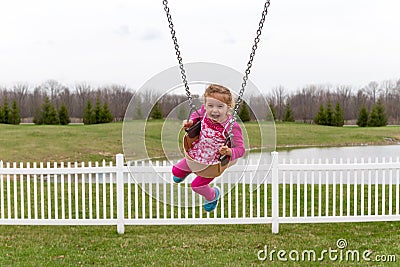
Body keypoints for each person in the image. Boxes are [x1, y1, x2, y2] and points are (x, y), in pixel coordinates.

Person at [172, 84, 245, 212]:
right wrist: (191, 122)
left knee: (196, 186)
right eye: (210, 106)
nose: (214, 110)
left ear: (228, 107)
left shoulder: (232, 126)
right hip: (197, 153)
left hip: (213, 163)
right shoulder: (204, 113)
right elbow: (196, 115)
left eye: (220, 106)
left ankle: (213, 195)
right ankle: (189, 170)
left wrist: (229, 151)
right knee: (176, 172)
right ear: (205, 105)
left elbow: (241, 149)